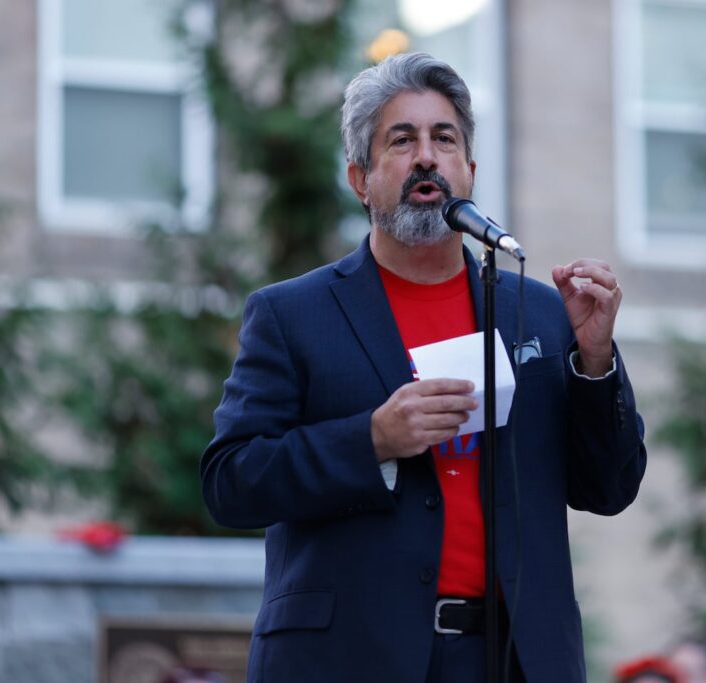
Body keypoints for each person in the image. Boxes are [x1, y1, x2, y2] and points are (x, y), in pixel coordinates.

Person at [200, 52, 648, 683]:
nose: (427, 157)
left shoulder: (541, 314)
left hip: (511, 658)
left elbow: (608, 489)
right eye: (401, 140)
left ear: (469, 169)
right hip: (350, 659)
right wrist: (373, 440)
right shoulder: (292, 314)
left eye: (445, 139)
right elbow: (230, 481)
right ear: (361, 178)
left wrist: (596, 362)